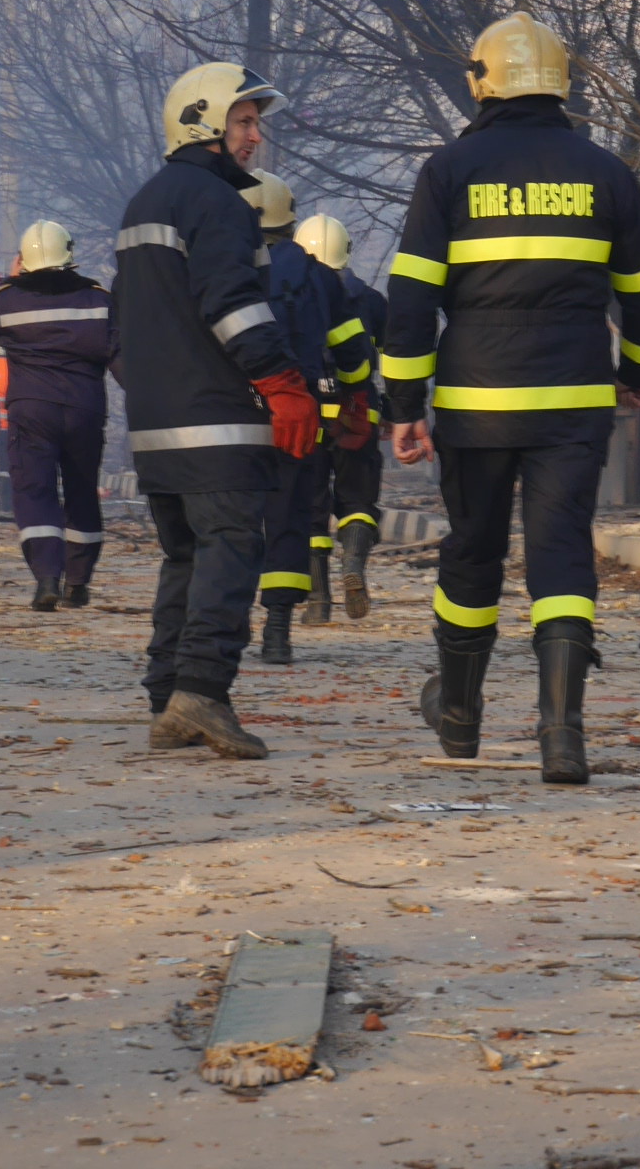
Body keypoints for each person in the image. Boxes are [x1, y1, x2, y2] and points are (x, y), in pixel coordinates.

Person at [380, 12, 640, 784]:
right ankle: (562, 735)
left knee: (472, 550)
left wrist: (403, 405)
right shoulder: (606, 173)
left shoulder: (448, 172)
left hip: (477, 396)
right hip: (575, 396)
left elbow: (410, 299)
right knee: (560, 553)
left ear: (482, 81)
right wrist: (637, 374)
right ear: (561, 80)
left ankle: (459, 716)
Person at [113, 62, 320, 759]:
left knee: (185, 560)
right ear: (202, 122)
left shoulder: (144, 203)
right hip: (217, 422)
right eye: (245, 121)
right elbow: (232, 303)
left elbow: (126, 327)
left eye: (256, 122)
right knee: (230, 554)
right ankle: (200, 692)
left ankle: (167, 694)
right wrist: (284, 382)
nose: (256, 137)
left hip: (158, 424)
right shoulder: (219, 205)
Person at [241, 172, 372, 652]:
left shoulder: (224, 267)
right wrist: (356, 393)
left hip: (237, 411)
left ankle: (228, 619)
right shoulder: (318, 276)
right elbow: (352, 348)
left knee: (233, 517)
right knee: (291, 514)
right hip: (301, 413)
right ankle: (278, 630)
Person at [0, 219, 115, 611]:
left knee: (36, 490)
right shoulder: (99, 300)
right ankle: (78, 582)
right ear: (70, 254)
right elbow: (121, 351)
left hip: (32, 409)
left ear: (24, 261)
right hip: (85, 408)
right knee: (82, 490)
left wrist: (9, 280)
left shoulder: (7, 300)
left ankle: (47, 577)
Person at [298, 212, 388, 620]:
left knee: (310, 504)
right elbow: (391, 360)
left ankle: (318, 600)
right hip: (356, 414)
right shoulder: (371, 301)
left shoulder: (294, 298)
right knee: (358, 499)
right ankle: (352, 564)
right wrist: (392, 409)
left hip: (308, 414)